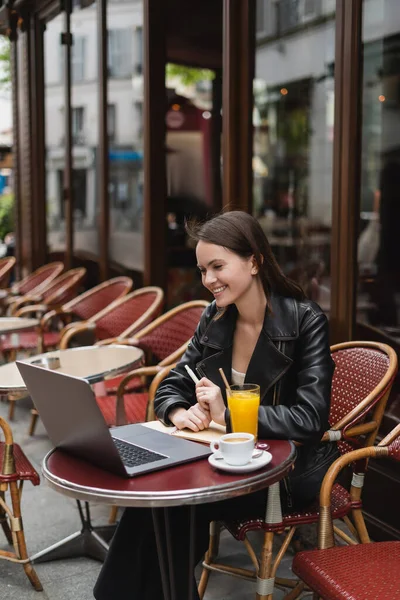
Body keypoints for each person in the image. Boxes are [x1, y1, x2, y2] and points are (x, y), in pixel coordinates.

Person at [94, 211, 338, 600]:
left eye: (218, 266)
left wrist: (228, 413)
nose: (208, 280)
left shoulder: (305, 322)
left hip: (284, 469)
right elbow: (174, 382)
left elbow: (309, 419)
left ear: (254, 261)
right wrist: (179, 411)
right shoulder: (216, 317)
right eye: (203, 269)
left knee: (174, 503)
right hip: (221, 457)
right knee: (157, 497)